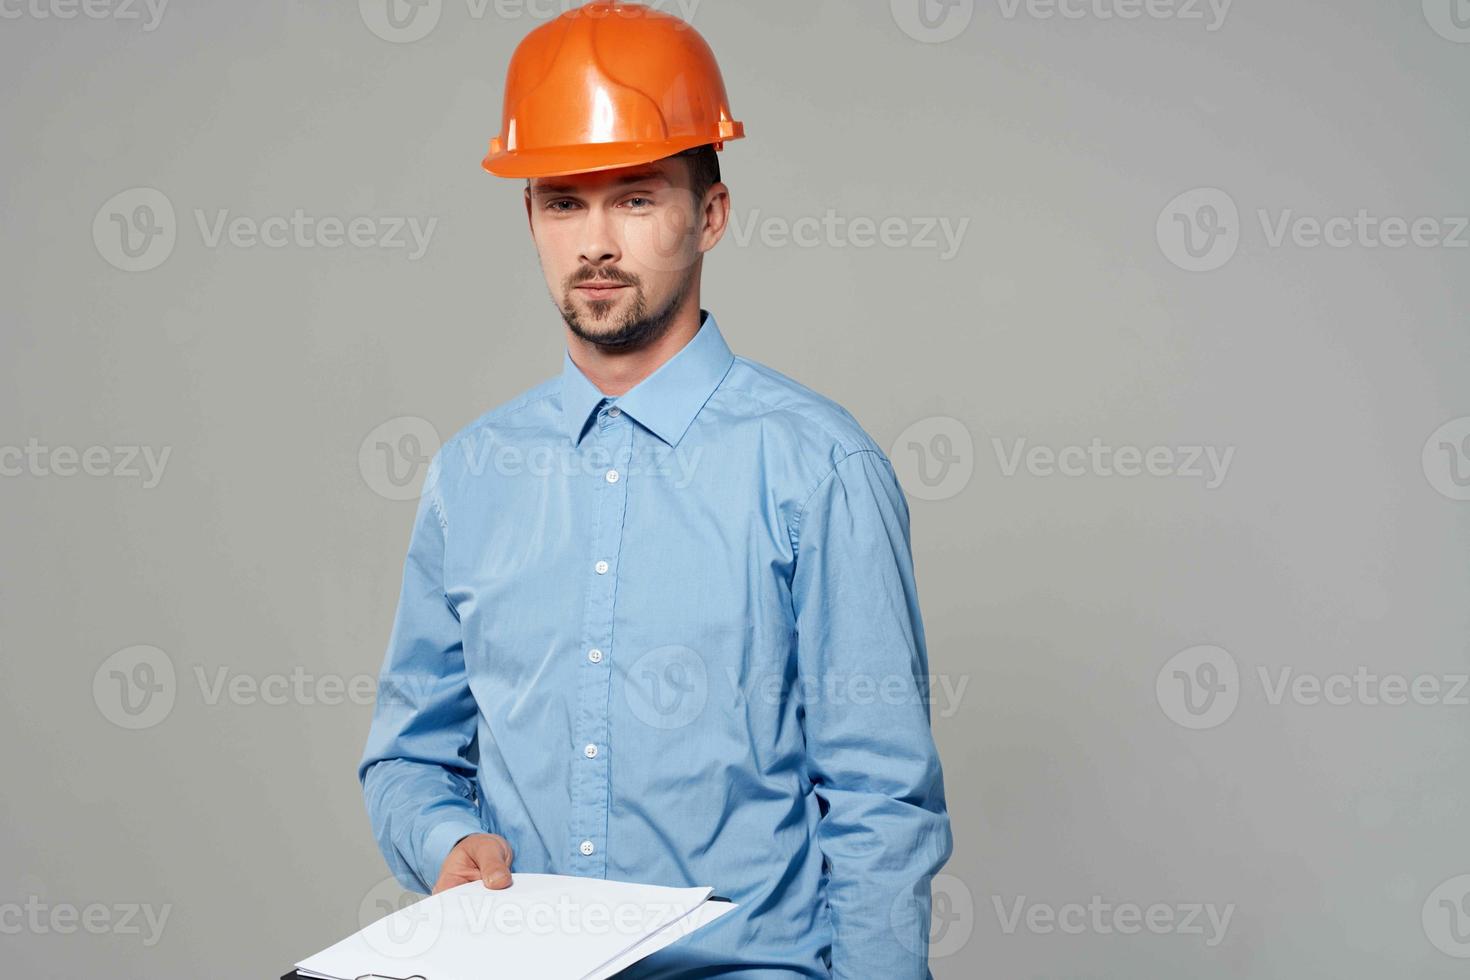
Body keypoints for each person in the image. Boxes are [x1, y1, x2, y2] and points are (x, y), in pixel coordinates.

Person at [359, 3, 953, 977]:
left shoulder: (818, 467)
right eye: (563, 201)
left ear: (709, 214)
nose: (595, 243)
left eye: (634, 198)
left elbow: (881, 799)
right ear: (530, 216)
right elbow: (409, 757)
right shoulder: (472, 474)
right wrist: (443, 842)